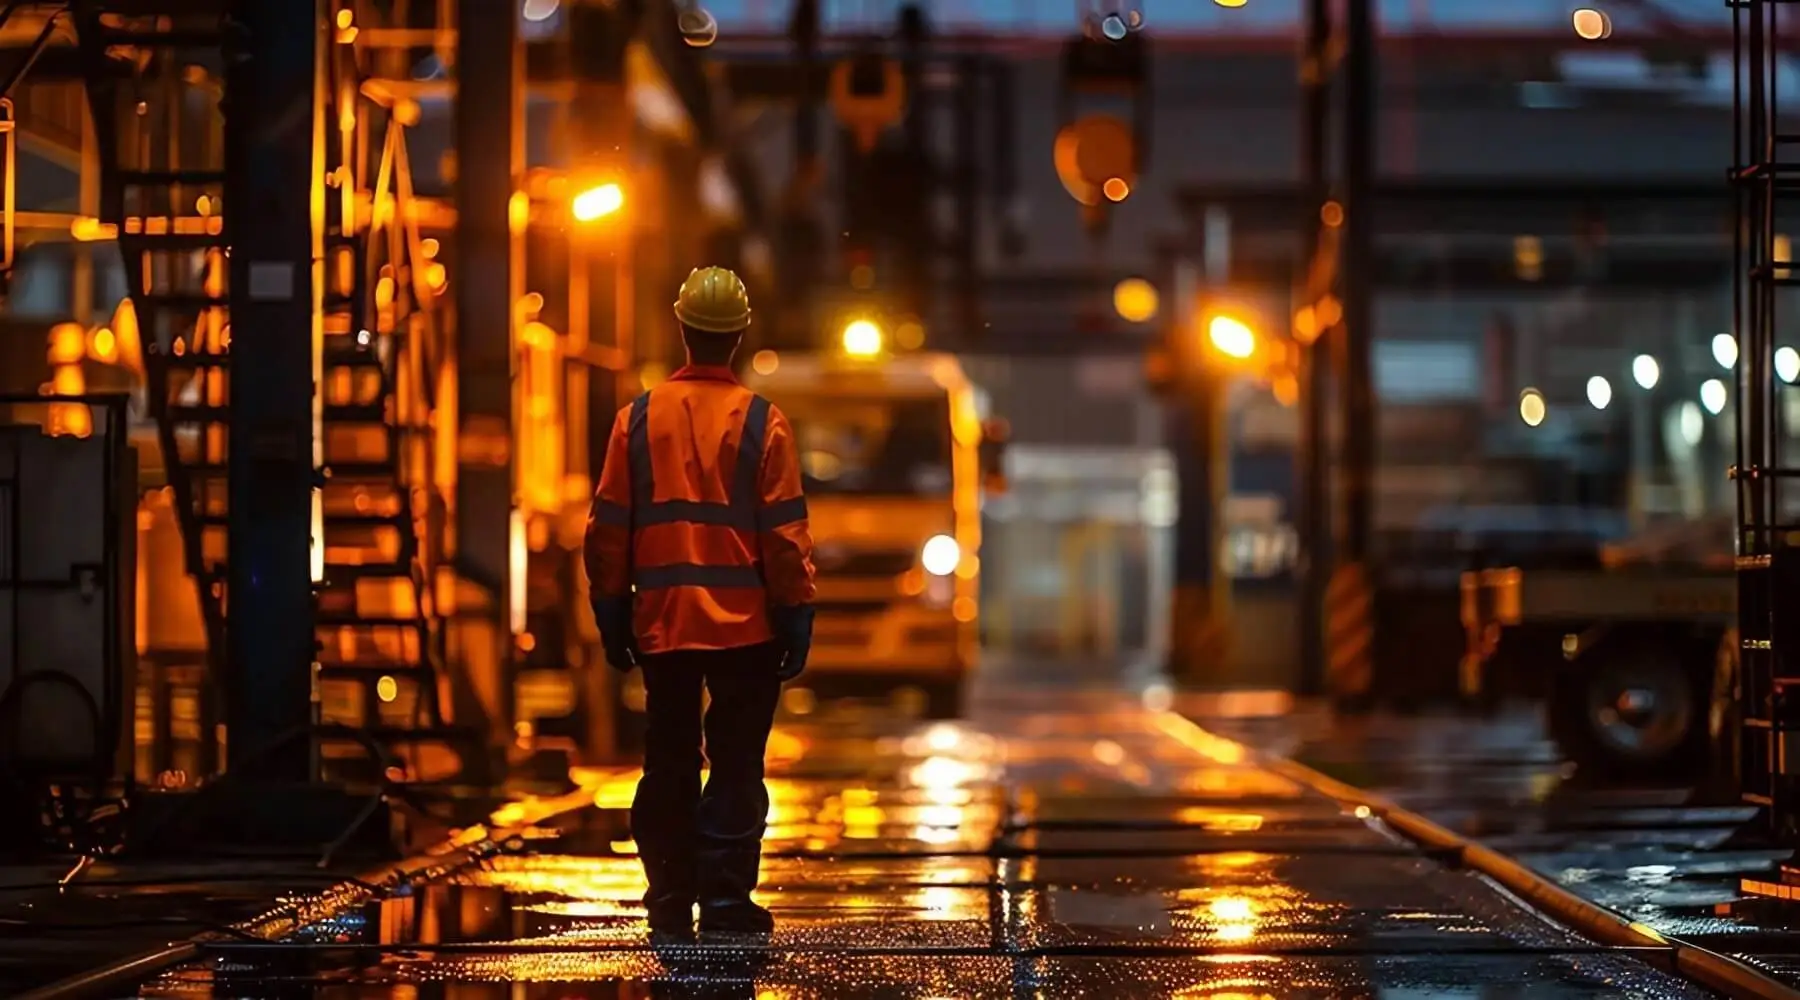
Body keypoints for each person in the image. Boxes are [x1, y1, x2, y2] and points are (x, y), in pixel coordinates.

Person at [583, 265, 817, 937]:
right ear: (739, 336)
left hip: (662, 624)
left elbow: (607, 528)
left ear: (682, 329)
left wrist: (610, 613)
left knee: (669, 759)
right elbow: (783, 537)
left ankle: (667, 897)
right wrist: (796, 618)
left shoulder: (635, 419)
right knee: (738, 761)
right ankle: (723, 899)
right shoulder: (764, 423)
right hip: (747, 629)